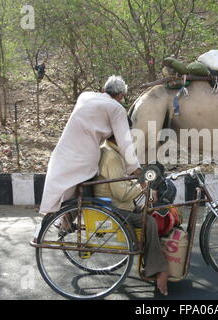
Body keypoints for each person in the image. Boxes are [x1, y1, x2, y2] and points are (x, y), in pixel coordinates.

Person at [33, 76, 141, 238]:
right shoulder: (116, 108)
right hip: (85, 156)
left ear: (104, 90)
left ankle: (65, 223)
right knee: (87, 193)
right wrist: (137, 171)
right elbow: (125, 143)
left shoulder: (85, 96)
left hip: (63, 152)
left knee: (74, 192)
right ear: (121, 96)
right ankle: (95, 227)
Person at [94, 135, 170, 296]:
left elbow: (122, 183)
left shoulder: (110, 150)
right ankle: (158, 270)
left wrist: (141, 186)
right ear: (116, 135)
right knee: (149, 222)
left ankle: (151, 264)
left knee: (151, 212)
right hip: (114, 208)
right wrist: (143, 187)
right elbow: (121, 193)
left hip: (114, 203)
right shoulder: (111, 156)